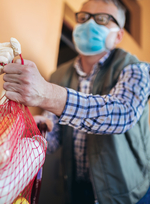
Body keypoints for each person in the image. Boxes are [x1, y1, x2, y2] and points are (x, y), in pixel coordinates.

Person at [1, 0, 150, 203]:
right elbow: (55, 132)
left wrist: (46, 92)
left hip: (127, 193)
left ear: (119, 36)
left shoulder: (136, 68)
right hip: (76, 189)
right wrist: (40, 131)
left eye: (102, 19)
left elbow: (122, 114)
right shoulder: (60, 74)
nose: (89, 24)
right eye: (84, 17)